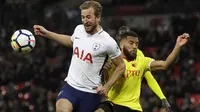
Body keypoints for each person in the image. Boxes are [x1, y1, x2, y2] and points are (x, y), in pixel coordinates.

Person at [33, 1, 126, 112]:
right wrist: (46, 33)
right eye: (82, 17)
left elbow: (121, 66)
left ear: (98, 17)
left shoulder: (108, 42)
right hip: (70, 88)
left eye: (88, 17)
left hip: (90, 94)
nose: (85, 21)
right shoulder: (79, 29)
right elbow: (71, 42)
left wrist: (107, 86)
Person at [95, 26, 190, 112]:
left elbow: (165, 65)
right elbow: (104, 81)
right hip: (113, 103)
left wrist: (178, 46)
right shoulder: (111, 60)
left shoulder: (142, 60)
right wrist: (104, 70)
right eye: (131, 43)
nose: (134, 47)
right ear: (121, 44)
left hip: (133, 108)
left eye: (136, 44)